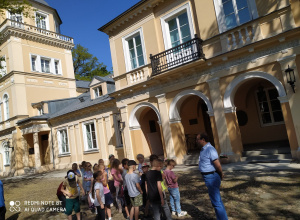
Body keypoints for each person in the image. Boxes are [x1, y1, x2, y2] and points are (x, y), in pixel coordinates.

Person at [196, 133, 228, 220]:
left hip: (211, 177)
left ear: (203, 140)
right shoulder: (203, 149)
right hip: (208, 177)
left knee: (216, 202)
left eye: (198, 139)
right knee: (217, 200)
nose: (197, 141)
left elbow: (217, 165)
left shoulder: (210, 149)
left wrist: (221, 174)